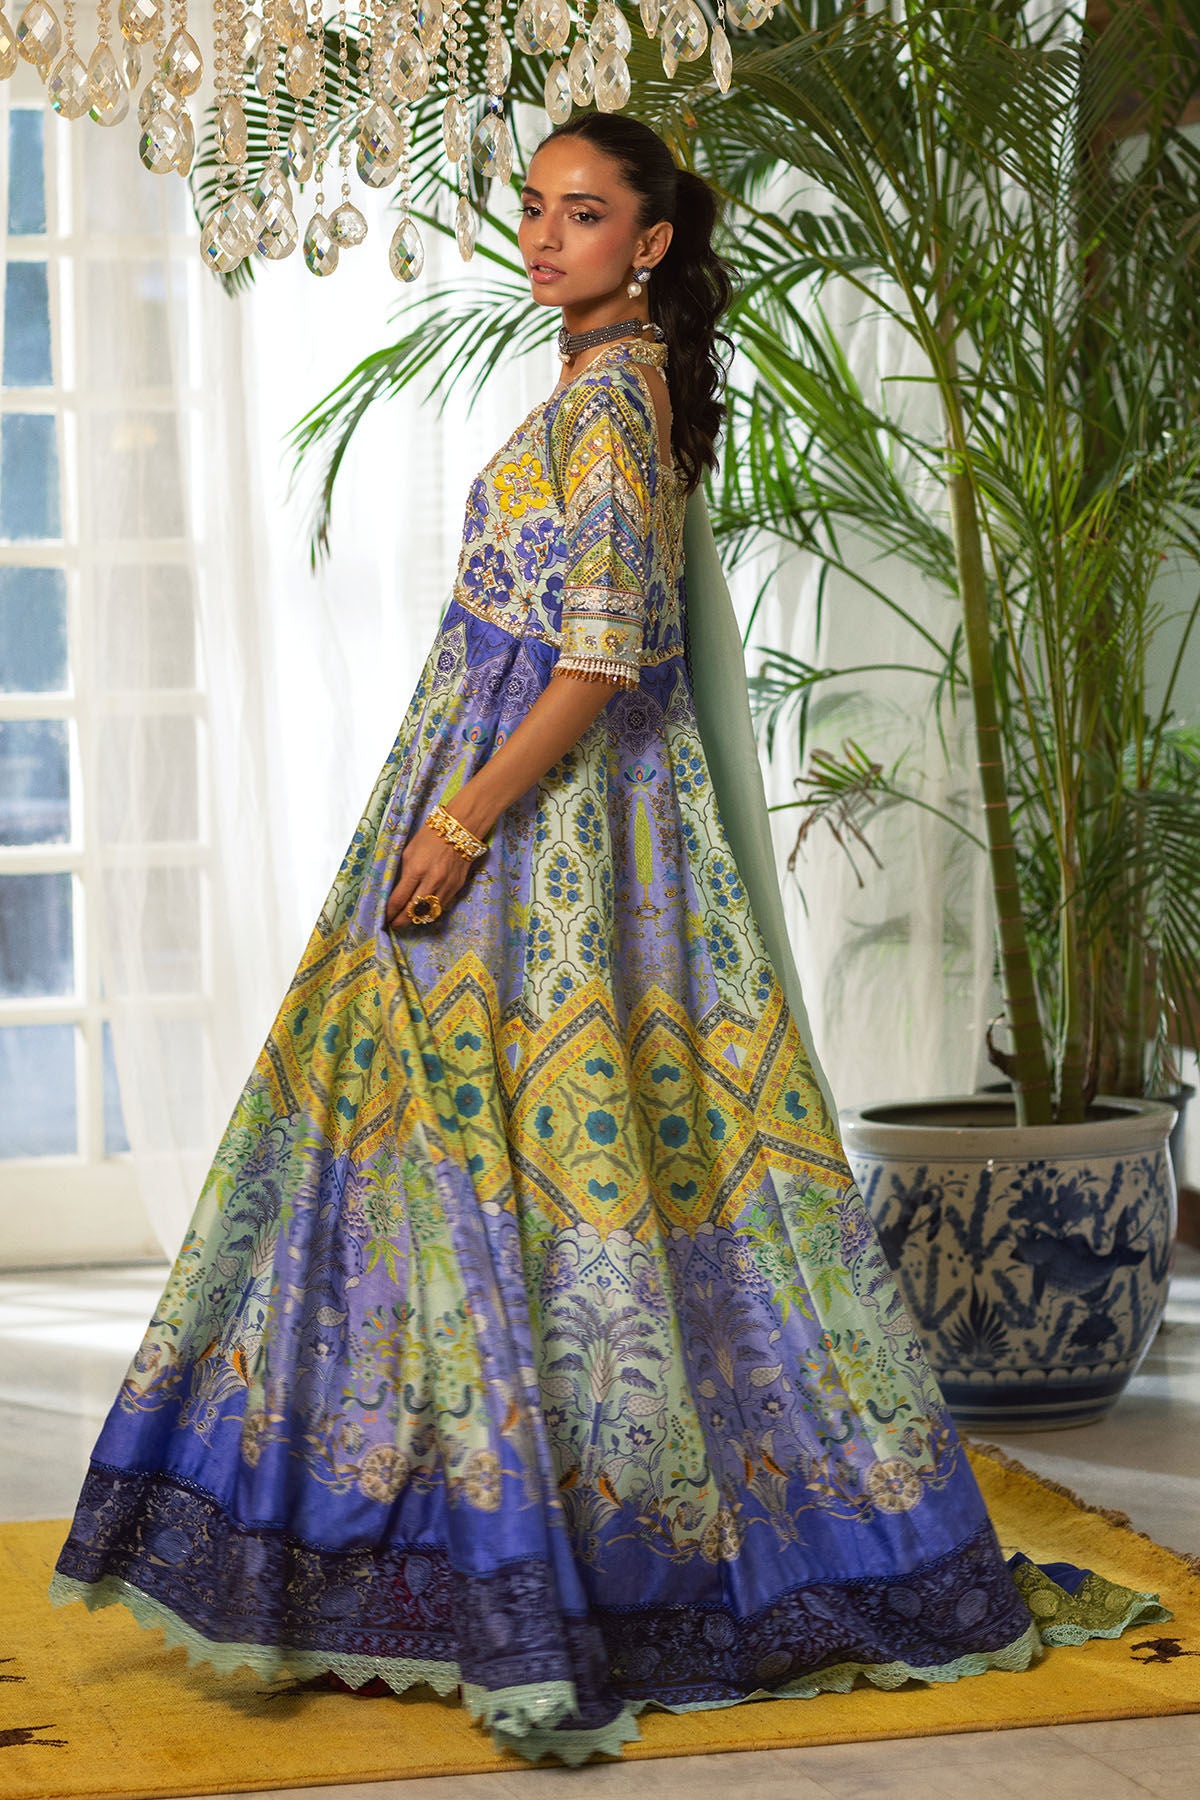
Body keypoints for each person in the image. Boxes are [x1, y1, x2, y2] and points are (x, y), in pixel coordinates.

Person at [49, 113, 1166, 1766]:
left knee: (503, 1170)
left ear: (650, 244)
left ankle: (533, 1559)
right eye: (533, 206)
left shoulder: (617, 405)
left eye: (582, 213)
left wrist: (460, 823)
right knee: (479, 1170)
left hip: (550, 844)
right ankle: (440, 1534)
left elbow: (601, 659)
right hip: (536, 823)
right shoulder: (599, 388)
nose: (542, 235)